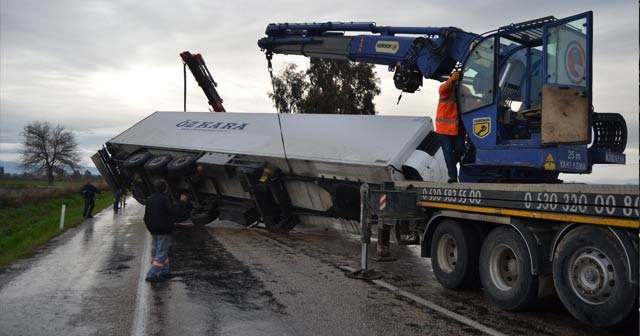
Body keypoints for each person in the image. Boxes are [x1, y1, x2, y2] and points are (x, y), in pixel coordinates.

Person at [143, 180, 190, 282]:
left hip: (153, 230)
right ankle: (152, 274)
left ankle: (165, 271)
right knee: (162, 251)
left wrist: (150, 227)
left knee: (160, 250)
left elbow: (146, 217)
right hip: (163, 230)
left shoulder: (150, 199)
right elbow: (175, 212)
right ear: (165, 188)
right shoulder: (165, 199)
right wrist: (182, 202)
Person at [436, 71, 465, 183]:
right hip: (444, 128)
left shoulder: (465, 90)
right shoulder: (445, 89)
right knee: (447, 150)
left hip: (458, 128)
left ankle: (451, 164)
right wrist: (451, 80)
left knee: (460, 149)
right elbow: (444, 88)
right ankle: (452, 176)